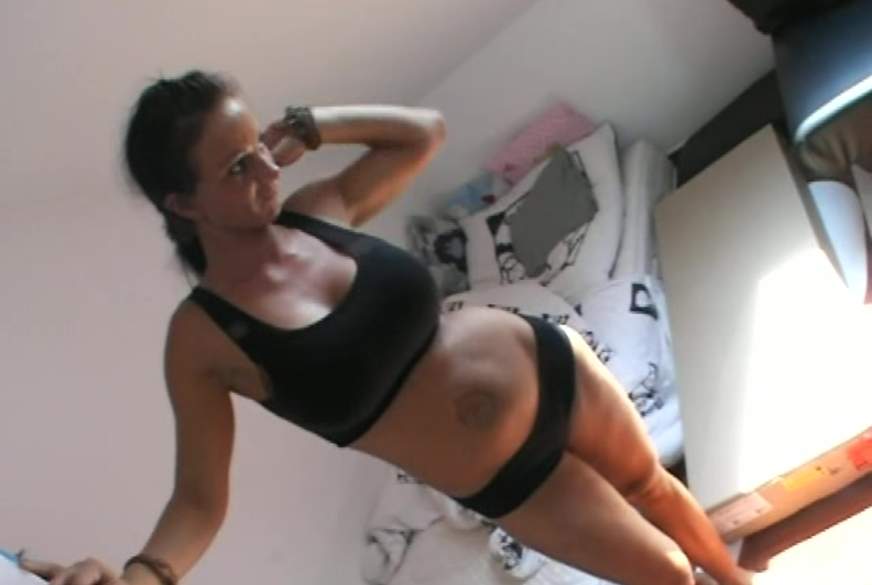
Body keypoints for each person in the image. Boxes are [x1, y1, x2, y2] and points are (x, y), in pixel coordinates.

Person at [21, 70, 753, 585]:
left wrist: (311, 126)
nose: (267, 172)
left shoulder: (319, 211)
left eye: (261, 146)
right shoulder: (204, 337)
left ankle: (737, 576)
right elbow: (198, 498)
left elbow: (423, 135)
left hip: (548, 359)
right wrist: (146, 576)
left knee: (654, 486)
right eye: (239, 167)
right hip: (511, 477)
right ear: (185, 205)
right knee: (664, 573)